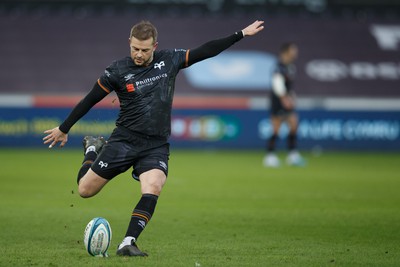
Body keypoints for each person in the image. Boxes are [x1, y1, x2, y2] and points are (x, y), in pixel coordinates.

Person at [43, 20, 264, 256]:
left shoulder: (170, 60)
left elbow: (205, 51)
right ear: (129, 43)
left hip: (155, 145)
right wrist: (64, 128)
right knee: (85, 190)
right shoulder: (116, 71)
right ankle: (92, 150)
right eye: (135, 48)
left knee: (153, 186)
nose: (139, 54)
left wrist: (240, 34)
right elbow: (89, 100)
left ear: (155, 46)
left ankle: (127, 242)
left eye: (145, 50)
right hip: (124, 141)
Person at [263, 42, 305, 167]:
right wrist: (284, 99)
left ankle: (292, 155)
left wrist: (291, 96)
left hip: (286, 99)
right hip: (278, 101)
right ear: (286, 52)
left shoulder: (290, 67)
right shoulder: (279, 67)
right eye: (293, 51)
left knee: (293, 124)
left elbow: (289, 86)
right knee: (276, 128)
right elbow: (277, 85)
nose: (295, 53)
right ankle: (270, 156)